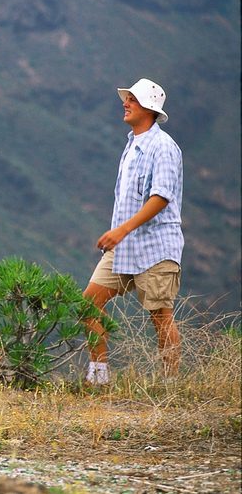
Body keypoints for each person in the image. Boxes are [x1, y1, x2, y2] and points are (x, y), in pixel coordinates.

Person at [82, 78, 183, 385]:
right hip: (124, 245)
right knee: (87, 304)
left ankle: (170, 385)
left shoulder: (163, 147)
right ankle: (99, 376)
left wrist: (120, 230)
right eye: (127, 99)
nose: (126, 104)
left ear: (149, 109)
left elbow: (161, 197)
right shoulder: (133, 145)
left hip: (155, 246)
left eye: (133, 100)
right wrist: (120, 234)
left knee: (160, 315)